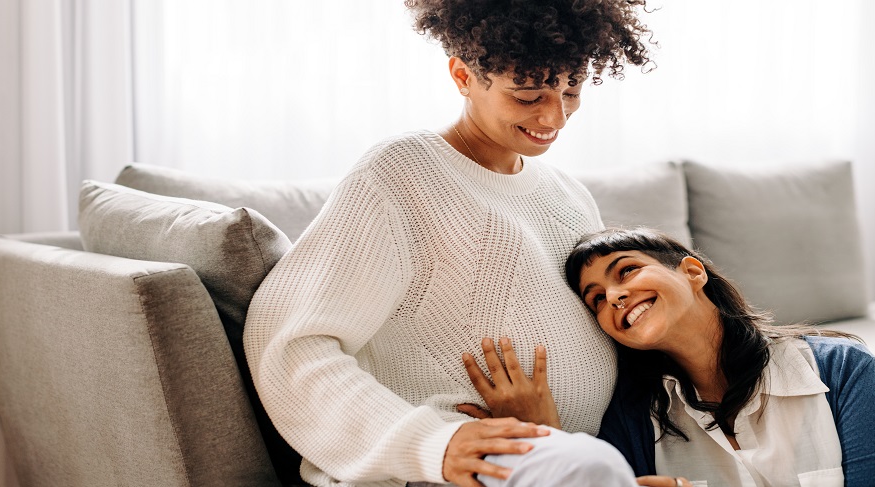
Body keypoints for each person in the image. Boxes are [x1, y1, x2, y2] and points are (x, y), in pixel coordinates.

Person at [242, 1, 655, 486]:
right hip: (460, 463)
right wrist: (432, 446)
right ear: (463, 76)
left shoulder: (569, 194)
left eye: (572, 90)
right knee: (594, 467)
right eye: (527, 95)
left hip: (567, 452)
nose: (556, 116)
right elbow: (290, 342)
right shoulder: (401, 173)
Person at [463, 228, 875, 486]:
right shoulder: (634, 416)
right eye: (595, 299)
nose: (614, 296)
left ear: (693, 272)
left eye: (627, 270)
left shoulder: (842, 368)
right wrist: (546, 437)